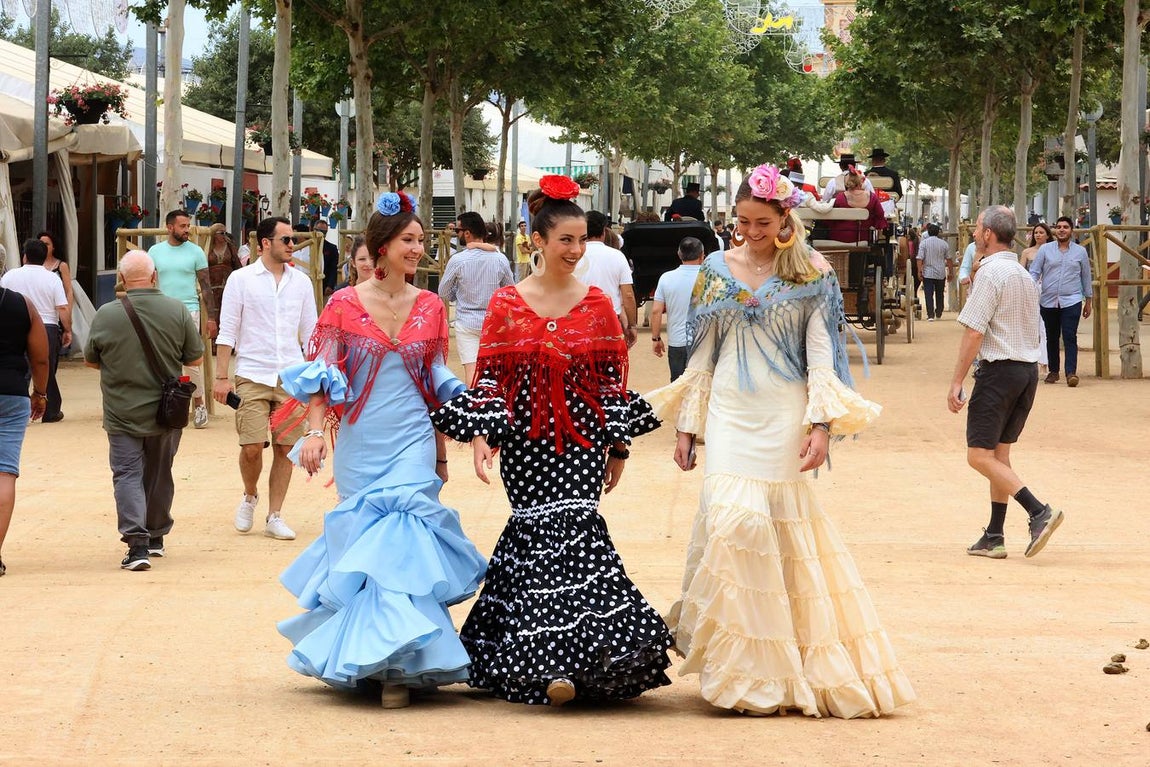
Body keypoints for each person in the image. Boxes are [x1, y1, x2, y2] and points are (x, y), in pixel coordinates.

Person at [646, 163, 914, 718]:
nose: (749, 231)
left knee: (774, 532)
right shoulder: (716, 269)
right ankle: (734, 667)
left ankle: (772, 669)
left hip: (782, 413)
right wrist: (687, 426)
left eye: (761, 221)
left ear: (784, 217)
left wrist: (822, 427)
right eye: (742, 221)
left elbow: (822, 354)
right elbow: (702, 354)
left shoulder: (811, 271)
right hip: (728, 410)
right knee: (731, 523)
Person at [430, 174, 673, 708]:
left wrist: (619, 447)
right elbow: (489, 379)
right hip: (526, 444)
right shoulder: (505, 304)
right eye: (565, 239)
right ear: (536, 240)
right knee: (536, 542)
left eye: (583, 239)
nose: (576, 249)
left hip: (584, 442)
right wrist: (482, 438)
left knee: (582, 539)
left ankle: (576, 665)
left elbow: (612, 382)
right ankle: (548, 665)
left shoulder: (597, 305)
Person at [273, 190, 485, 708]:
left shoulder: (432, 305)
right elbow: (325, 377)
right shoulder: (343, 303)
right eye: (409, 241)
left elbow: (435, 382)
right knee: (368, 548)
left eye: (420, 241)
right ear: (382, 246)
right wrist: (317, 432)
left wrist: (447, 444)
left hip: (412, 434)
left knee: (405, 541)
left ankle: (398, 667)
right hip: (361, 441)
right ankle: (374, 659)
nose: (418, 249)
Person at [947, 206, 1064, 560]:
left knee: (978, 456)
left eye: (978, 228)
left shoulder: (990, 274)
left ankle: (1038, 511)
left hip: (1000, 371)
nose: (973, 234)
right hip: (1026, 372)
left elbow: (974, 331)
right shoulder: (1021, 273)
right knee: (999, 454)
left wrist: (956, 380)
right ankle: (995, 535)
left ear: (987, 234)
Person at [84, 250, 204, 570]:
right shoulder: (177, 310)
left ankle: (136, 545)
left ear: (121, 280)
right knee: (159, 472)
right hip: (166, 412)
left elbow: (91, 359)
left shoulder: (106, 314)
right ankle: (157, 536)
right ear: (154, 277)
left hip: (122, 411)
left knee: (127, 474)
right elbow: (195, 359)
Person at [212, 217, 318, 542]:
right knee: (252, 447)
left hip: (291, 375)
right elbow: (227, 328)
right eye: (285, 239)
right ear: (265, 243)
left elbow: (312, 332)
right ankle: (249, 495)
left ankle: (275, 515)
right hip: (252, 373)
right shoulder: (240, 280)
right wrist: (220, 376)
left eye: (293, 239)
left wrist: (316, 375)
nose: (291, 245)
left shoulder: (301, 283)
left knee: (286, 449)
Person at [0, 282, 50, 576]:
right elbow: (41, 357)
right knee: (5, 471)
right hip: (11, 394)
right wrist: (40, 393)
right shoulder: (22, 305)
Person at [149, 210, 215, 429]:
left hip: (189, 310)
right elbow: (149, 283)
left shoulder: (196, 252)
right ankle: (169, 403)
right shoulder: (154, 251)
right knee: (161, 359)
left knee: (191, 360)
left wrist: (212, 318)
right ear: (170, 227)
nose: (187, 229)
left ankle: (199, 405)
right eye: (183, 226)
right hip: (160, 311)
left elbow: (206, 287)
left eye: (188, 225)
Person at [438, 211, 515, 384]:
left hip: (466, 321)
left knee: (471, 371)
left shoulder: (458, 260)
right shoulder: (500, 259)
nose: (457, 234)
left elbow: (443, 291)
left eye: (458, 230)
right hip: (493, 320)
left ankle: (474, 406)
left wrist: (456, 294)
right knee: (495, 370)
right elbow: (510, 289)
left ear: (467, 233)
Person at [1, 239, 71, 423]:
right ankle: (50, 410)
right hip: (47, 327)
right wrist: (68, 330)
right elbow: (62, 308)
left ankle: (20, 409)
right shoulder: (52, 278)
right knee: (46, 368)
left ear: (24, 256)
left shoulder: (10, 276)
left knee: (20, 368)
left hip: (17, 325)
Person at [1028, 216, 1092, 387]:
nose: (1062, 229)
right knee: (1052, 336)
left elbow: (1086, 277)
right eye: (1059, 227)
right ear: (1055, 231)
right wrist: (1027, 286)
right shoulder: (1045, 250)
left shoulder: (1080, 252)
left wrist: (1089, 300)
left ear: (1072, 230)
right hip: (1048, 301)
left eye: (1065, 227)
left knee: (1070, 336)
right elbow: (1034, 271)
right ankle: (1054, 371)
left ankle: (1071, 372)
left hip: (1072, 300)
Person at [650, 236, 704, 381]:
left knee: (678, 385)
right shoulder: (709, 278)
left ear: (679, 254)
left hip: (677, 342)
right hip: (704, 342)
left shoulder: (666, 278)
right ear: (702, 255)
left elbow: (656, 311)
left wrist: (656, 338)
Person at [581, 210, 638, 347]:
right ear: (604, 232)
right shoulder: (617, 256)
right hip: (610, 321)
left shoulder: (574, 256)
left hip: (580, 321)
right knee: (609, 364)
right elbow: (628, 295)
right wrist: (632, 325)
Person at [825, 168, 888, 243]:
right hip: (862, 238)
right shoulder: (872, 197)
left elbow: (830, 218)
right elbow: (880, 216)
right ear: (861, 182)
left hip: (839, 238)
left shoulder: (840, 197)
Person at [205, 223, 244, 331]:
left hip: (227, 282)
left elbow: (237, 264)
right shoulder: (207, 247)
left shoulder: (230, 247)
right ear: (214, 234)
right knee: (213, 310)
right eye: (221, 233)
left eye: (225, 233)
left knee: (228, 309)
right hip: (212, 284)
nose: (224, 235)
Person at [37, 231, 75, 338]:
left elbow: (68, 291)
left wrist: (68, 312)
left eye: (47, 244)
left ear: (53, 247)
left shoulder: (61, 265)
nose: (43, 247)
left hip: (57, 309)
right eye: (41, 244)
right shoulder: (35, 264)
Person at [917, 223, 952, 321]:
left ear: (928, 232)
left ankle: (930, 315)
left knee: (928, 294)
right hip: (940, 273)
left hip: (928, 273)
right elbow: (949, 259)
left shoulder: (924, 243)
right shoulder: (944, 244)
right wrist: (950, 272)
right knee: (940, 293)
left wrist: (919, 271)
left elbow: (919, 258)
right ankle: (939, 312)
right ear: (938, 233)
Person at [313, 219, 341, 296]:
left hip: (324, 286)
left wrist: (330, 285)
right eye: (318, 230)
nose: (321, 233)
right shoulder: (306, 246)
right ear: (313, 229)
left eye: (324, 232)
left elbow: (333, 268)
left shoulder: (332, 248)